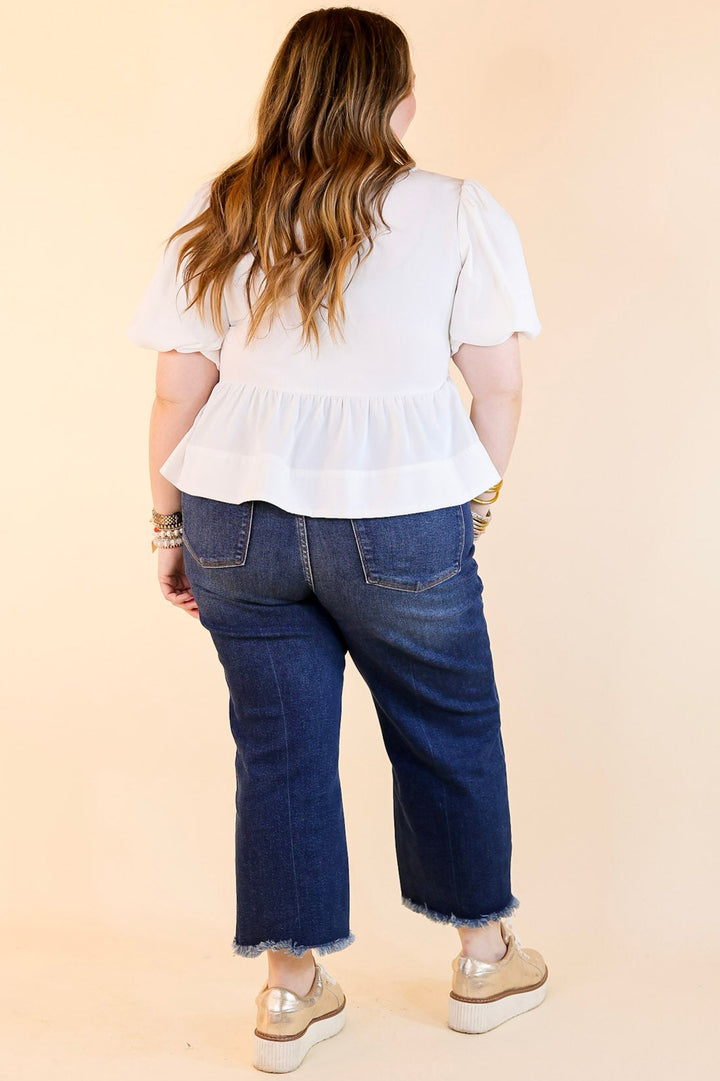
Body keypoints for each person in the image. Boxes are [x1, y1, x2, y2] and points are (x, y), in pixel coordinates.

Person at [126, 5, 548, 1073]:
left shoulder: (222, 206)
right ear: (398, 99)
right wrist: (475, 504)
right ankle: (485, 962)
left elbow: (179, 391)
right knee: (449, 731)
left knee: (278, 752)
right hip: (406, 518)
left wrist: (169, 522)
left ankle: (289, 995)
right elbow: (496, 387)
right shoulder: (456, 211)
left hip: (236, 518)